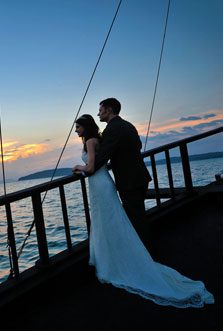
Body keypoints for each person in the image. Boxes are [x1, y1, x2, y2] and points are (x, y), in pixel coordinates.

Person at [72, 113, 214, 308]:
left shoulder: (93, 140)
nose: (76, 130)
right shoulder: (110, 134)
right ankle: (127, 253)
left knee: (110, 219)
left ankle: (131, 257)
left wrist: (78, 167)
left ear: (86, 126)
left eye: (78, 127)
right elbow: (122, 152)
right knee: (115, 219)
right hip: (109, 182)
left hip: (102, 184)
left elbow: (91, 167)